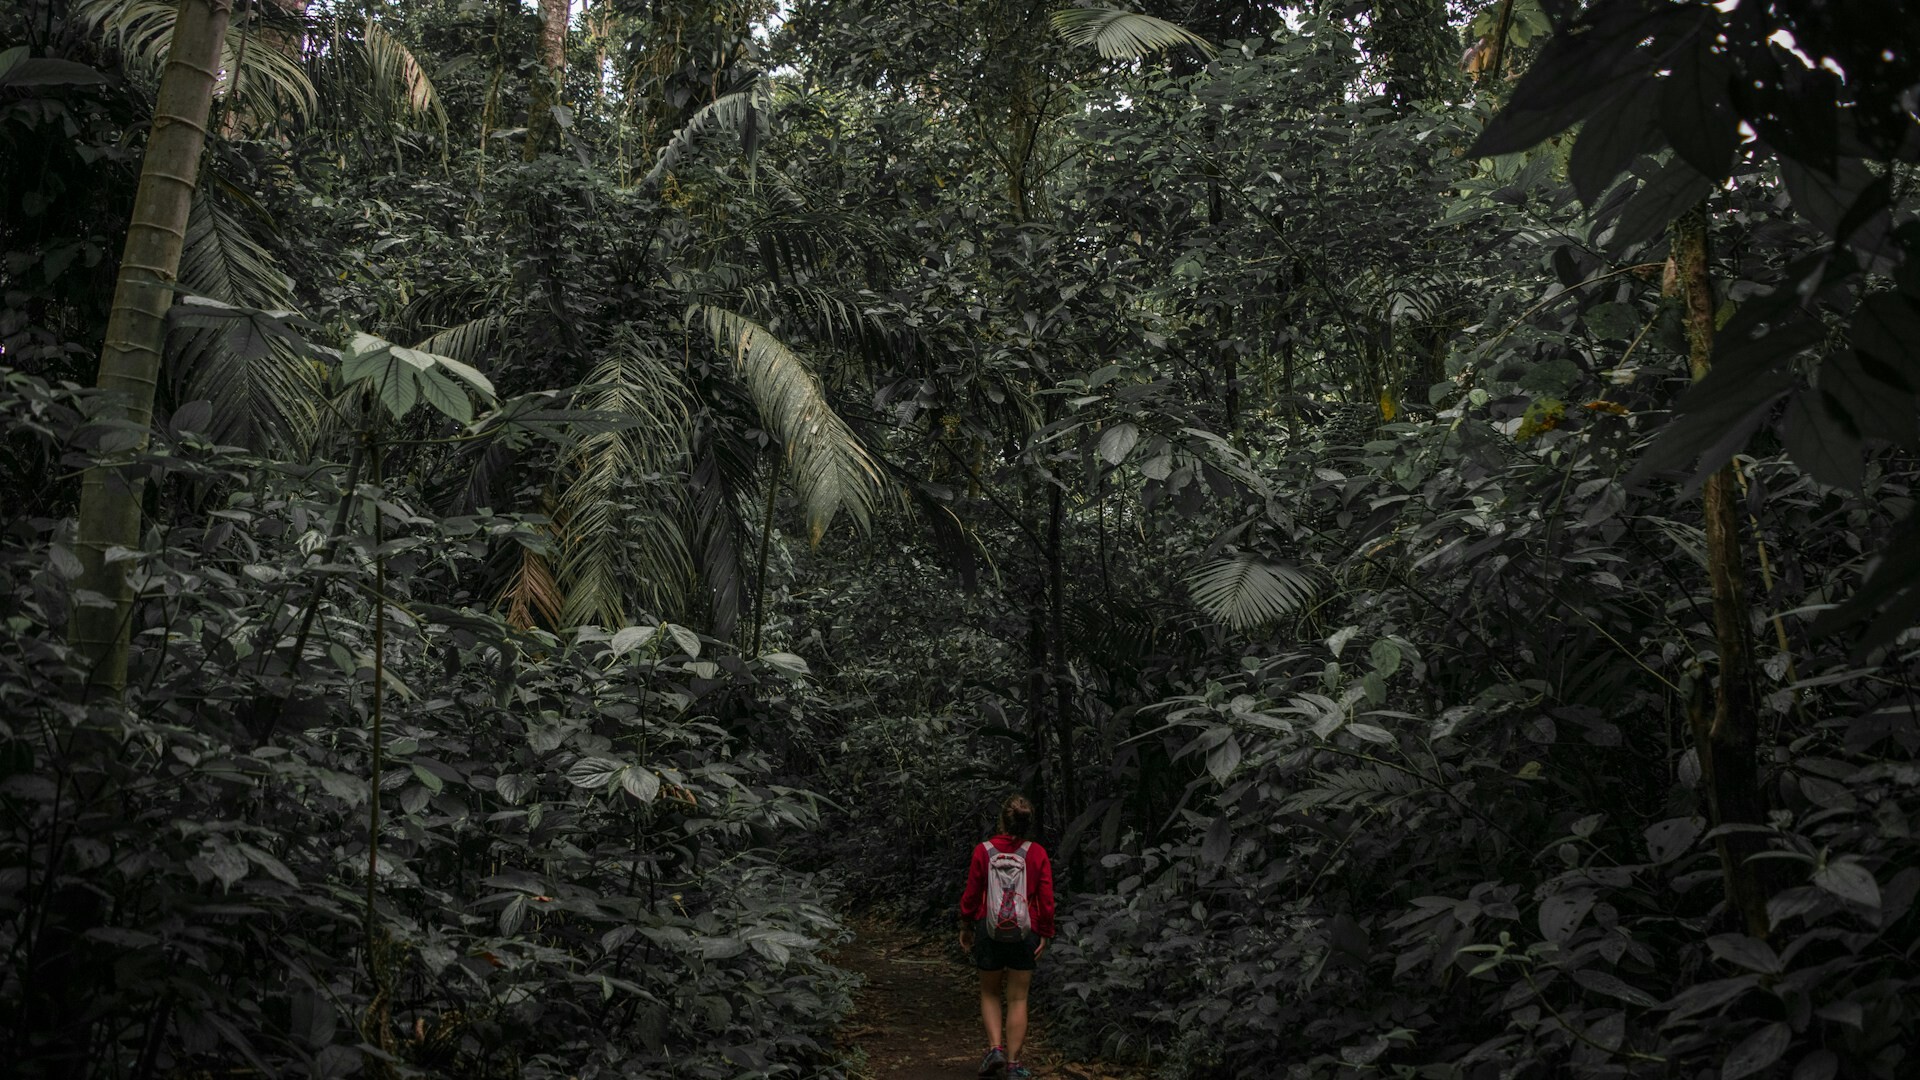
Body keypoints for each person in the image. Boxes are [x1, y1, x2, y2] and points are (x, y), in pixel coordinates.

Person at [957, 793, 1054, 1080]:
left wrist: (966, 924)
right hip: (1026, 932)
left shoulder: (983, 851)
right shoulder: (1036, 853)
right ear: (1028, 823)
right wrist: (1045, 933)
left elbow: (972, 894)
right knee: (1018, 998)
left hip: (989, 930)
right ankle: (1013, 1065)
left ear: (1002, 819)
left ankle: (994, 1049)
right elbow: (1046, 900)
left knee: (989, 992)